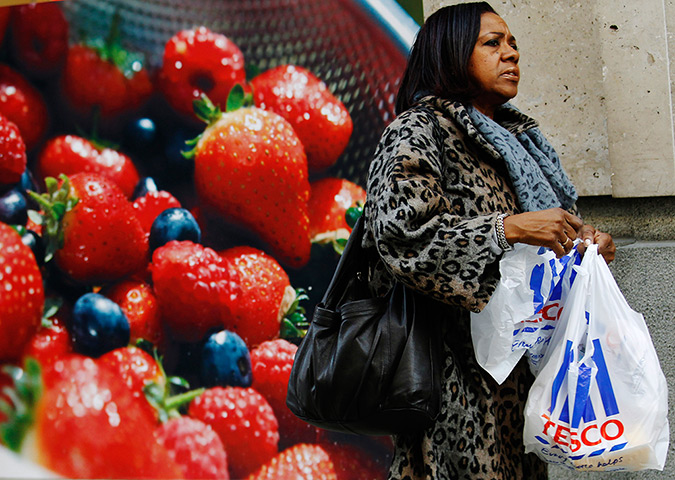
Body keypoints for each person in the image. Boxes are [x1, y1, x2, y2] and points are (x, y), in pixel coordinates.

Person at [361, 2, 616, 479]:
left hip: (521, 378)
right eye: (492, 43)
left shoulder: (520, 138)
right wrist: (508, 228)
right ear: (452, 52)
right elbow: (401, 238)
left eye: (513, 43)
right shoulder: (418, 131)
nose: (511, 54)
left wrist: (587, 247)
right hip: (451, 384)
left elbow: (548, 238)